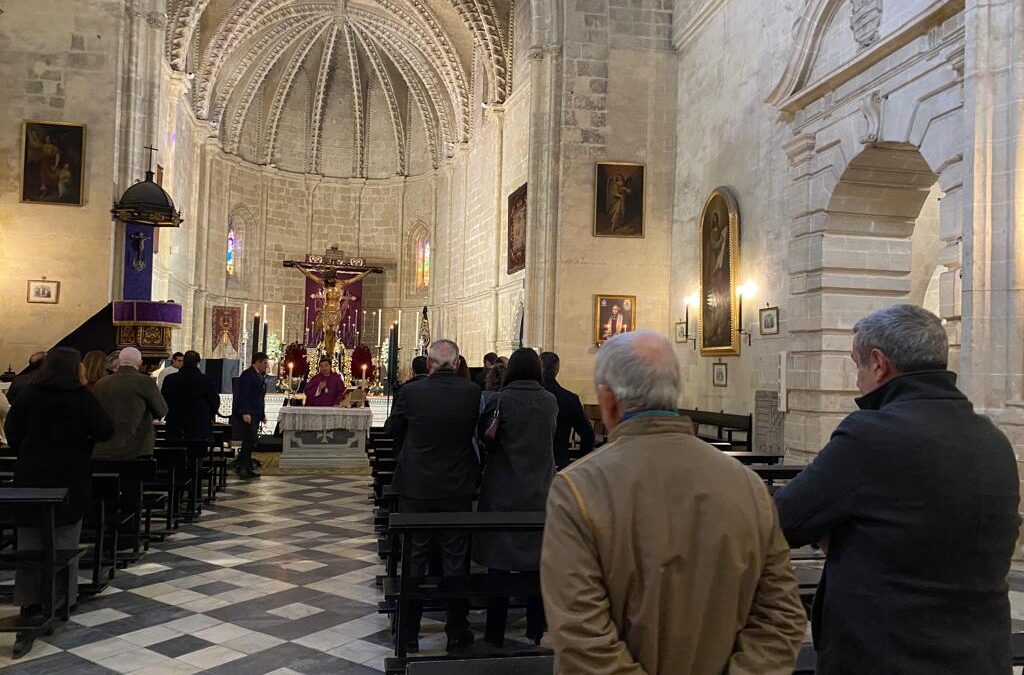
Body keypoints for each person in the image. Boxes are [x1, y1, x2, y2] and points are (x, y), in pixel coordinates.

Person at [774, 304, 1021, 675]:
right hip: (980, 656)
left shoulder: (869, 435)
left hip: (887, 654)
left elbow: (783, 521)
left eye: (856, 364)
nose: (856, 379)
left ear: (878, 362)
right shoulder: (993, 439)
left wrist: (834, 531)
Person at [541, 330, 805, 674]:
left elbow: (581, 638)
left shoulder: (578, 489)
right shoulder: (748, 484)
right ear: (674, 391)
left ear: (607, 399)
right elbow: (782, 616)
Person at [3, 348, 113, 656]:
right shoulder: (81, 398)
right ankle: (63, 597)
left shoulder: (28, 394)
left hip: (31, 475)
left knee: (30, 539)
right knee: (65, 536)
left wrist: (29, 447)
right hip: (70, 475)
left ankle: (29, 600)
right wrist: (82, 441)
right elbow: (104, 429)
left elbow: (11, 431)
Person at [384, 339, 481, 653]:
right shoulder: (472, 393)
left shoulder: (411, 392)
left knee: (414, 560)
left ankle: (409, 633)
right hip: (458, 486)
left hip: (417, 488)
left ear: (429, 364)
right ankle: (456, 631)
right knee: (456, 561)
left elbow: (392, 429)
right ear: (456, 362)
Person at [476, 348, 557, 646]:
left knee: (499, 564)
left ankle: (494, 631)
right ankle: (536, 628)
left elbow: (484, 440)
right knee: (537, 563)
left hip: (503, 489)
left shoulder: (500, 400)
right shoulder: (550, 402)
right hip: (538, 490)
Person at [92, 347, 168, 460]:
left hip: (105, 447)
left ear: (119, 361)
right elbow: (161, 410)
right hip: (136, 448)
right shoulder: (145, 382)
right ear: (139, 363)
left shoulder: (101, 383)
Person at [540, 351, 596, 470]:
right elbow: (588, 435)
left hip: (531, 466)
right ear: (557, 370)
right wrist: (580, 464)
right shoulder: (570, 399)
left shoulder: (530, 397)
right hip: (558, 462)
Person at [161, 350, 219, 443]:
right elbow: (214, 402)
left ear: (184, 362)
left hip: (175, 423)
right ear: (198, 363)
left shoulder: (170, 379)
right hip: (199, 424)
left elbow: (164, 400)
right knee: (196, 453)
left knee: (174, 453)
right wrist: (207, 415)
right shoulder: (206, 380)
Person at [232, 352, 269, 479]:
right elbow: (243, 396)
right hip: (249, 413)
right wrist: (245, 412)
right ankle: (243, 468)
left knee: (251, 441)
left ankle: (244, 466)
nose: (266, 365)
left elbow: (259, 397)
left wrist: (262, 414)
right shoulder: (248, 375)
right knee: (248, 441)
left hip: (256, 412)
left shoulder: (258, 375)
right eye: (264, 363)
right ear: (257, 362)